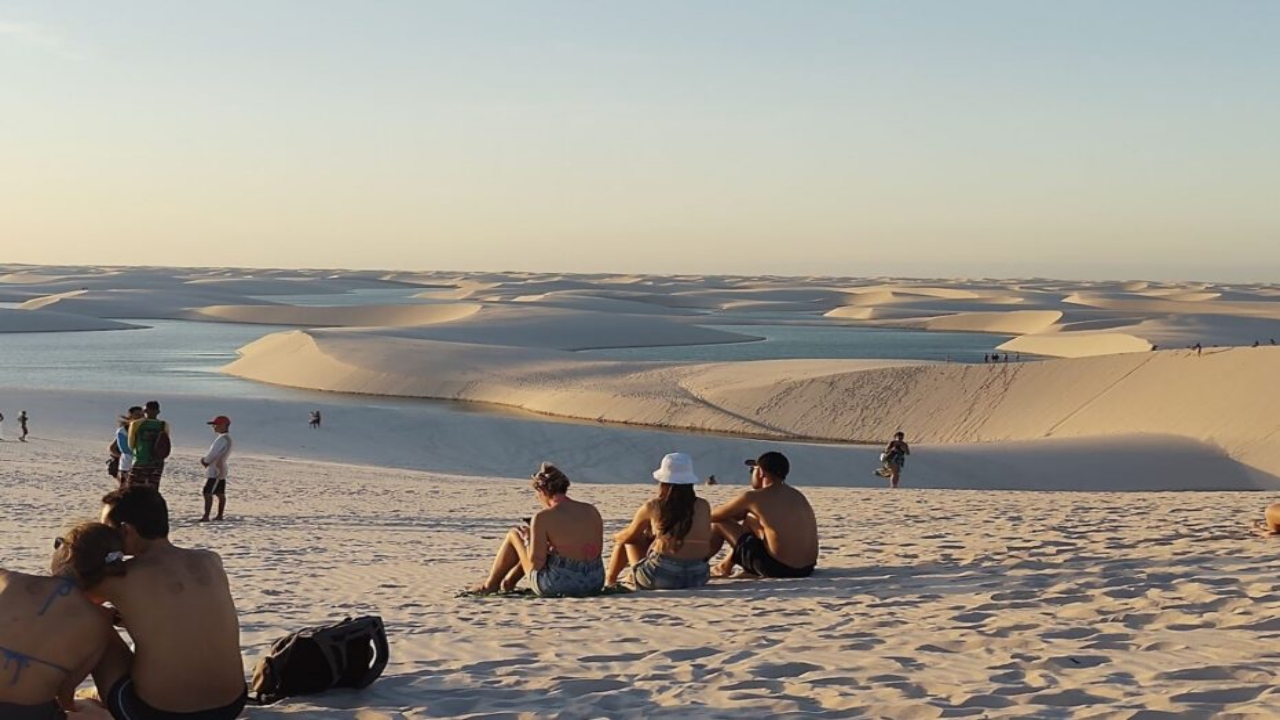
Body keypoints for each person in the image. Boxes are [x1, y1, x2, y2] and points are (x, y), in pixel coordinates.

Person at [93, 487, 247, 718]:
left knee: (94, 625)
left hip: (156, 713)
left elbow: (68, 602)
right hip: (231, 705)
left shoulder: (121, 577)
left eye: (107, 530)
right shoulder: (210, 560)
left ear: (126, 530)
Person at [0, 522, 124, 718]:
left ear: (67, 554)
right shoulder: (100, 623)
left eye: (58, 543)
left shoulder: (7, 580)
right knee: (92, 710)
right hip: (32, 714)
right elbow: (65, 695)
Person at [470, 463, 604, 597]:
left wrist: (529, 539)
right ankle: (509, 582)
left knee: (515, 534)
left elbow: (536, 564)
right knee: (545, 547)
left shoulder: (543, 517)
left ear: (542, 491)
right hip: (594, 581)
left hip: (558, 584)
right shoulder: (591, 510)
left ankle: (491, 584)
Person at [605, 453, 712, 590]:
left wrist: (616, 537)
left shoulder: (654, 506)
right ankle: (627, 578)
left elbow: (629, 535)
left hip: (662, 575)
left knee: (628, 540)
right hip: (698, 575)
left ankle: (610, 580)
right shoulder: (703, 505)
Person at [708, 451, 818, 579]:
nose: (751, 474)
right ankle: (724, 566)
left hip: (779, 569)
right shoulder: (797, 495)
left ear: (761, 472)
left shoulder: (753, 497)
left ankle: (695, 564)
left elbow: (713, 516)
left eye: (752, 470)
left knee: (720, 523)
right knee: (752, 519)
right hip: (806, 569)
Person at [126, 401, 169, 490]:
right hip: (157, 462)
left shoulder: (136, 424)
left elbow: (131, 444)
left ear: (145, 411)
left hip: (140, 459)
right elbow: (165, 442)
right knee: (152, 488)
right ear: (158, 412)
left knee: (133, 488)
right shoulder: (163, 425)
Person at [199, 416, 233, 522]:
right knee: (219, 492)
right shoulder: (226, 438)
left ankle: (207, 515)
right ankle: (219, 515)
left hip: (216, 469)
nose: (214, 427)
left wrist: (205, 461)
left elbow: (213, 453)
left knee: (208, 492)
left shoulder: (222, 439)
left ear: (223, 425)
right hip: (220, 468)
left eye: (216, 424)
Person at [113, 407, 143, 485]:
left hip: (142, 467)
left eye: (142, 415)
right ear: (130, 416)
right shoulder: (123, 430)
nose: (140, 417)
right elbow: (125, 449)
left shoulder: (144, 429)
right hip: (127, 466)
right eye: (137, 415)